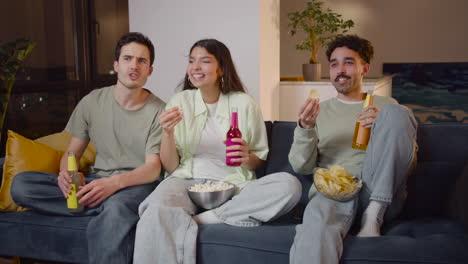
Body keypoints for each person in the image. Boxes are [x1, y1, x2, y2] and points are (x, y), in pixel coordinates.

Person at [133, 39, 302, 264]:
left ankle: (204, 219)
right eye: (192, 61)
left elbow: (258, 159)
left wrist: (246, 158)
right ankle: (195, 217)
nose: (195, 67)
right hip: (187, 181)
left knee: (289, 185)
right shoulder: (179, 101)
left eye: (204, 61)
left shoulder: (244, 103)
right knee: (155, 209)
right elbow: (171, 167)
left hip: (234, 185)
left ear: (221, 68)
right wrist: (167, 133)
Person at [11, 32, 165, 264]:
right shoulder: (92, 101)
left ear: (150, 70)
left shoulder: (159, 110)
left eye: (142, 61)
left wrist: (113, 184)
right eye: (127, 58)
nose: (134, 66)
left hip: (134, 187)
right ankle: (100, 206)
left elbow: (153, 169)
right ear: (116, 64)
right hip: (94, 182)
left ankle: (106, 209)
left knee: (116, 209)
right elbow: (72, 153)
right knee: (22, 185)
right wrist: (66, 174)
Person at [288, 35, 418, 264]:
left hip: (378, 192)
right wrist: (305, 128)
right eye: (334, 63)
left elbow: (410, 161)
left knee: (397, 114)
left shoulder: (386, 106)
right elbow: (301, 166)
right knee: (315, 227)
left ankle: (373, 216)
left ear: (364, 68)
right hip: (334, 193)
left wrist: (384, 127)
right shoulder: (319, 111)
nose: (340, 70)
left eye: (348, 62)